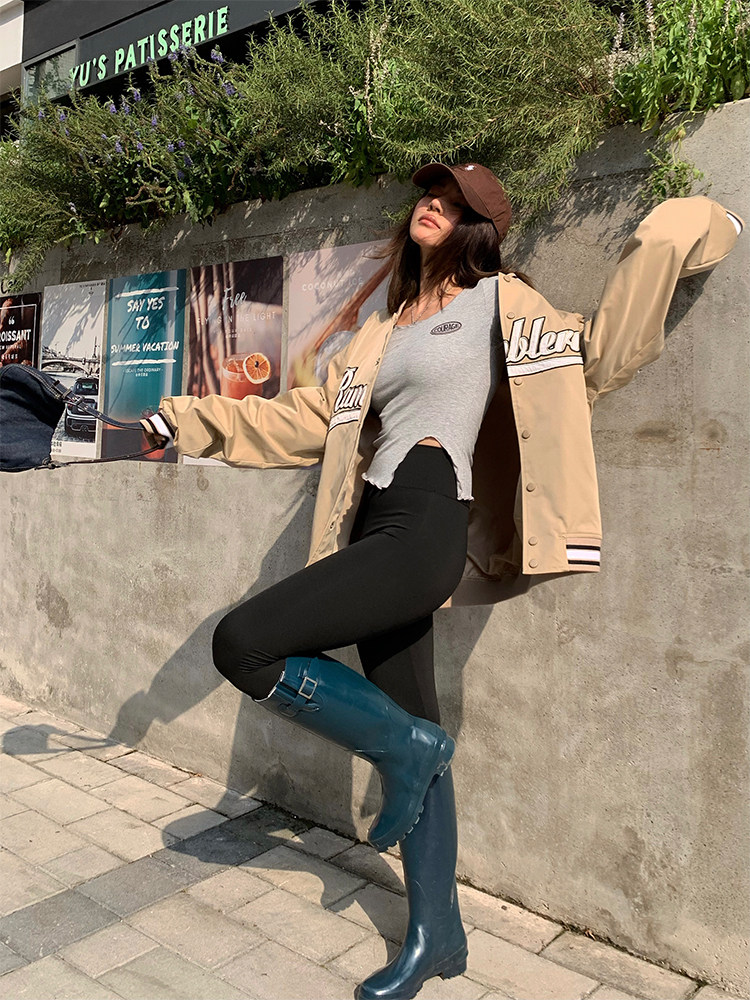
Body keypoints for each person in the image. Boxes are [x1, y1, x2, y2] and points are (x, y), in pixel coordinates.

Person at [141, 162, 742, 1000]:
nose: (435, 204)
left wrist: (682, 229)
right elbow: (303, 419)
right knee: (415, 720)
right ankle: (439, 936)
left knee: (243, 643)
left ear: (477, 231)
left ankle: (407, 754)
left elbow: (600, 355)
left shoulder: (502, 302)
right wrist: (187, 418)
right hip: (373, 522)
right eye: (431, 194)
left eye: (457, 204)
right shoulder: (379, 333)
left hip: (428, 525)